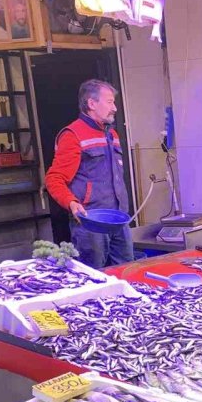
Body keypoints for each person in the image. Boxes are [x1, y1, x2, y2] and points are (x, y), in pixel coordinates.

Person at [44, 79, 133, 269]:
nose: (115, 108)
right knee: (94, 276)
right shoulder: (73, 135)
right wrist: (72, 203)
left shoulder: (112, 135)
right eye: (109, 102)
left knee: (126, 273)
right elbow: (54, 179)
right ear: (92, 104)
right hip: (91, 224)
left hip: (118, 219)